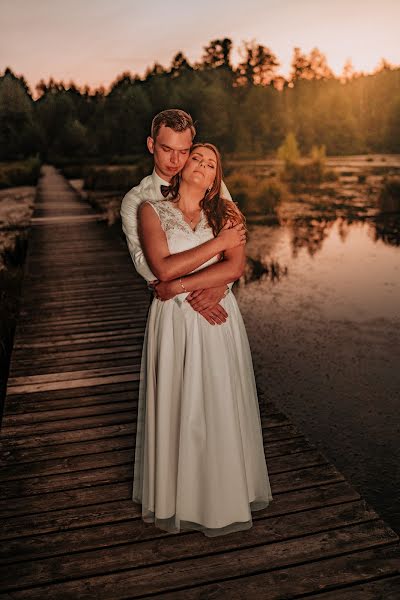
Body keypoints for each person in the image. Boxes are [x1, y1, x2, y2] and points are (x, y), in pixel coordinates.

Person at [133, 141, 273, 537]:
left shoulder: (227, 212)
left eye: (212, 164)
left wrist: (180, 285)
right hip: (174, 323)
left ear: (215, 178)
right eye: (197, 158)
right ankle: (180, 499)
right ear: (180, 165)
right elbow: (161, 265)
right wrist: (214, 249)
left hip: (217, 319)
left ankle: (223, 496)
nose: (203, 167)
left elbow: (236, 266)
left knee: (217, 401)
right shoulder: (151, 211)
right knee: (180, 403)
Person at [120, 108, 234, 326]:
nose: (175, 160)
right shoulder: (135, 200)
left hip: (217, 301)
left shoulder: (211, 183)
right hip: (173, 308)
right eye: (166, 149)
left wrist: (222, 284)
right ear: (151, 145)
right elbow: (145, 265)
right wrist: (197, 287)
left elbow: (235, 241)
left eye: (184, 151)